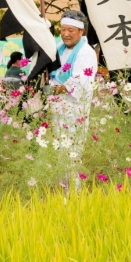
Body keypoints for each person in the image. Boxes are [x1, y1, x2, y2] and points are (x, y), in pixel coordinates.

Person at [48, 10, 98, 184]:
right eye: (63, 29)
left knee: (72, 156)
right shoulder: (59, 49)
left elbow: (80, 83)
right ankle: (61, 194)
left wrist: (52, 89)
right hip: (58, 111)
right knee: (58, 155)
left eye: (70, 30)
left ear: (81, 31)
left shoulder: (86, 53)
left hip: (74, 113)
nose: (65, 34)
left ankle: (73, 198)